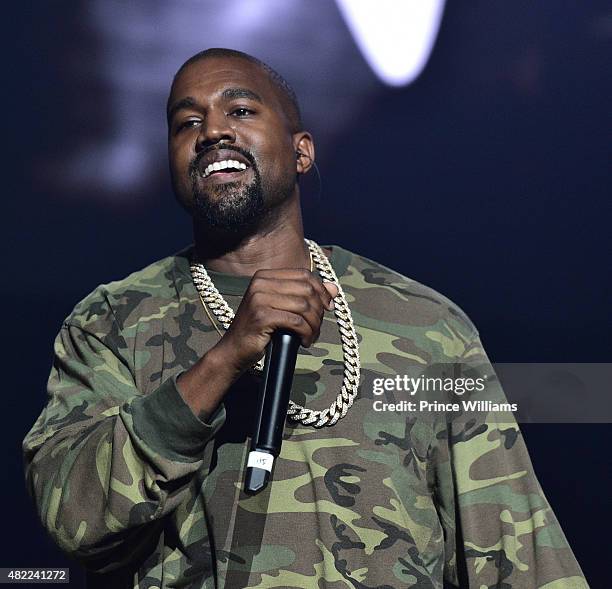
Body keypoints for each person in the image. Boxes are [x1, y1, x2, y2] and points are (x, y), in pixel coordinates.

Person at [23, 48, 588, 588]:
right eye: (186, 123)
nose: (212, 131)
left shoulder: (427, 325)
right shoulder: (112, 323)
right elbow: (72, 517)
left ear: (301, 152)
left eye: (240, 110)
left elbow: (517, 548)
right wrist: (224, 360)